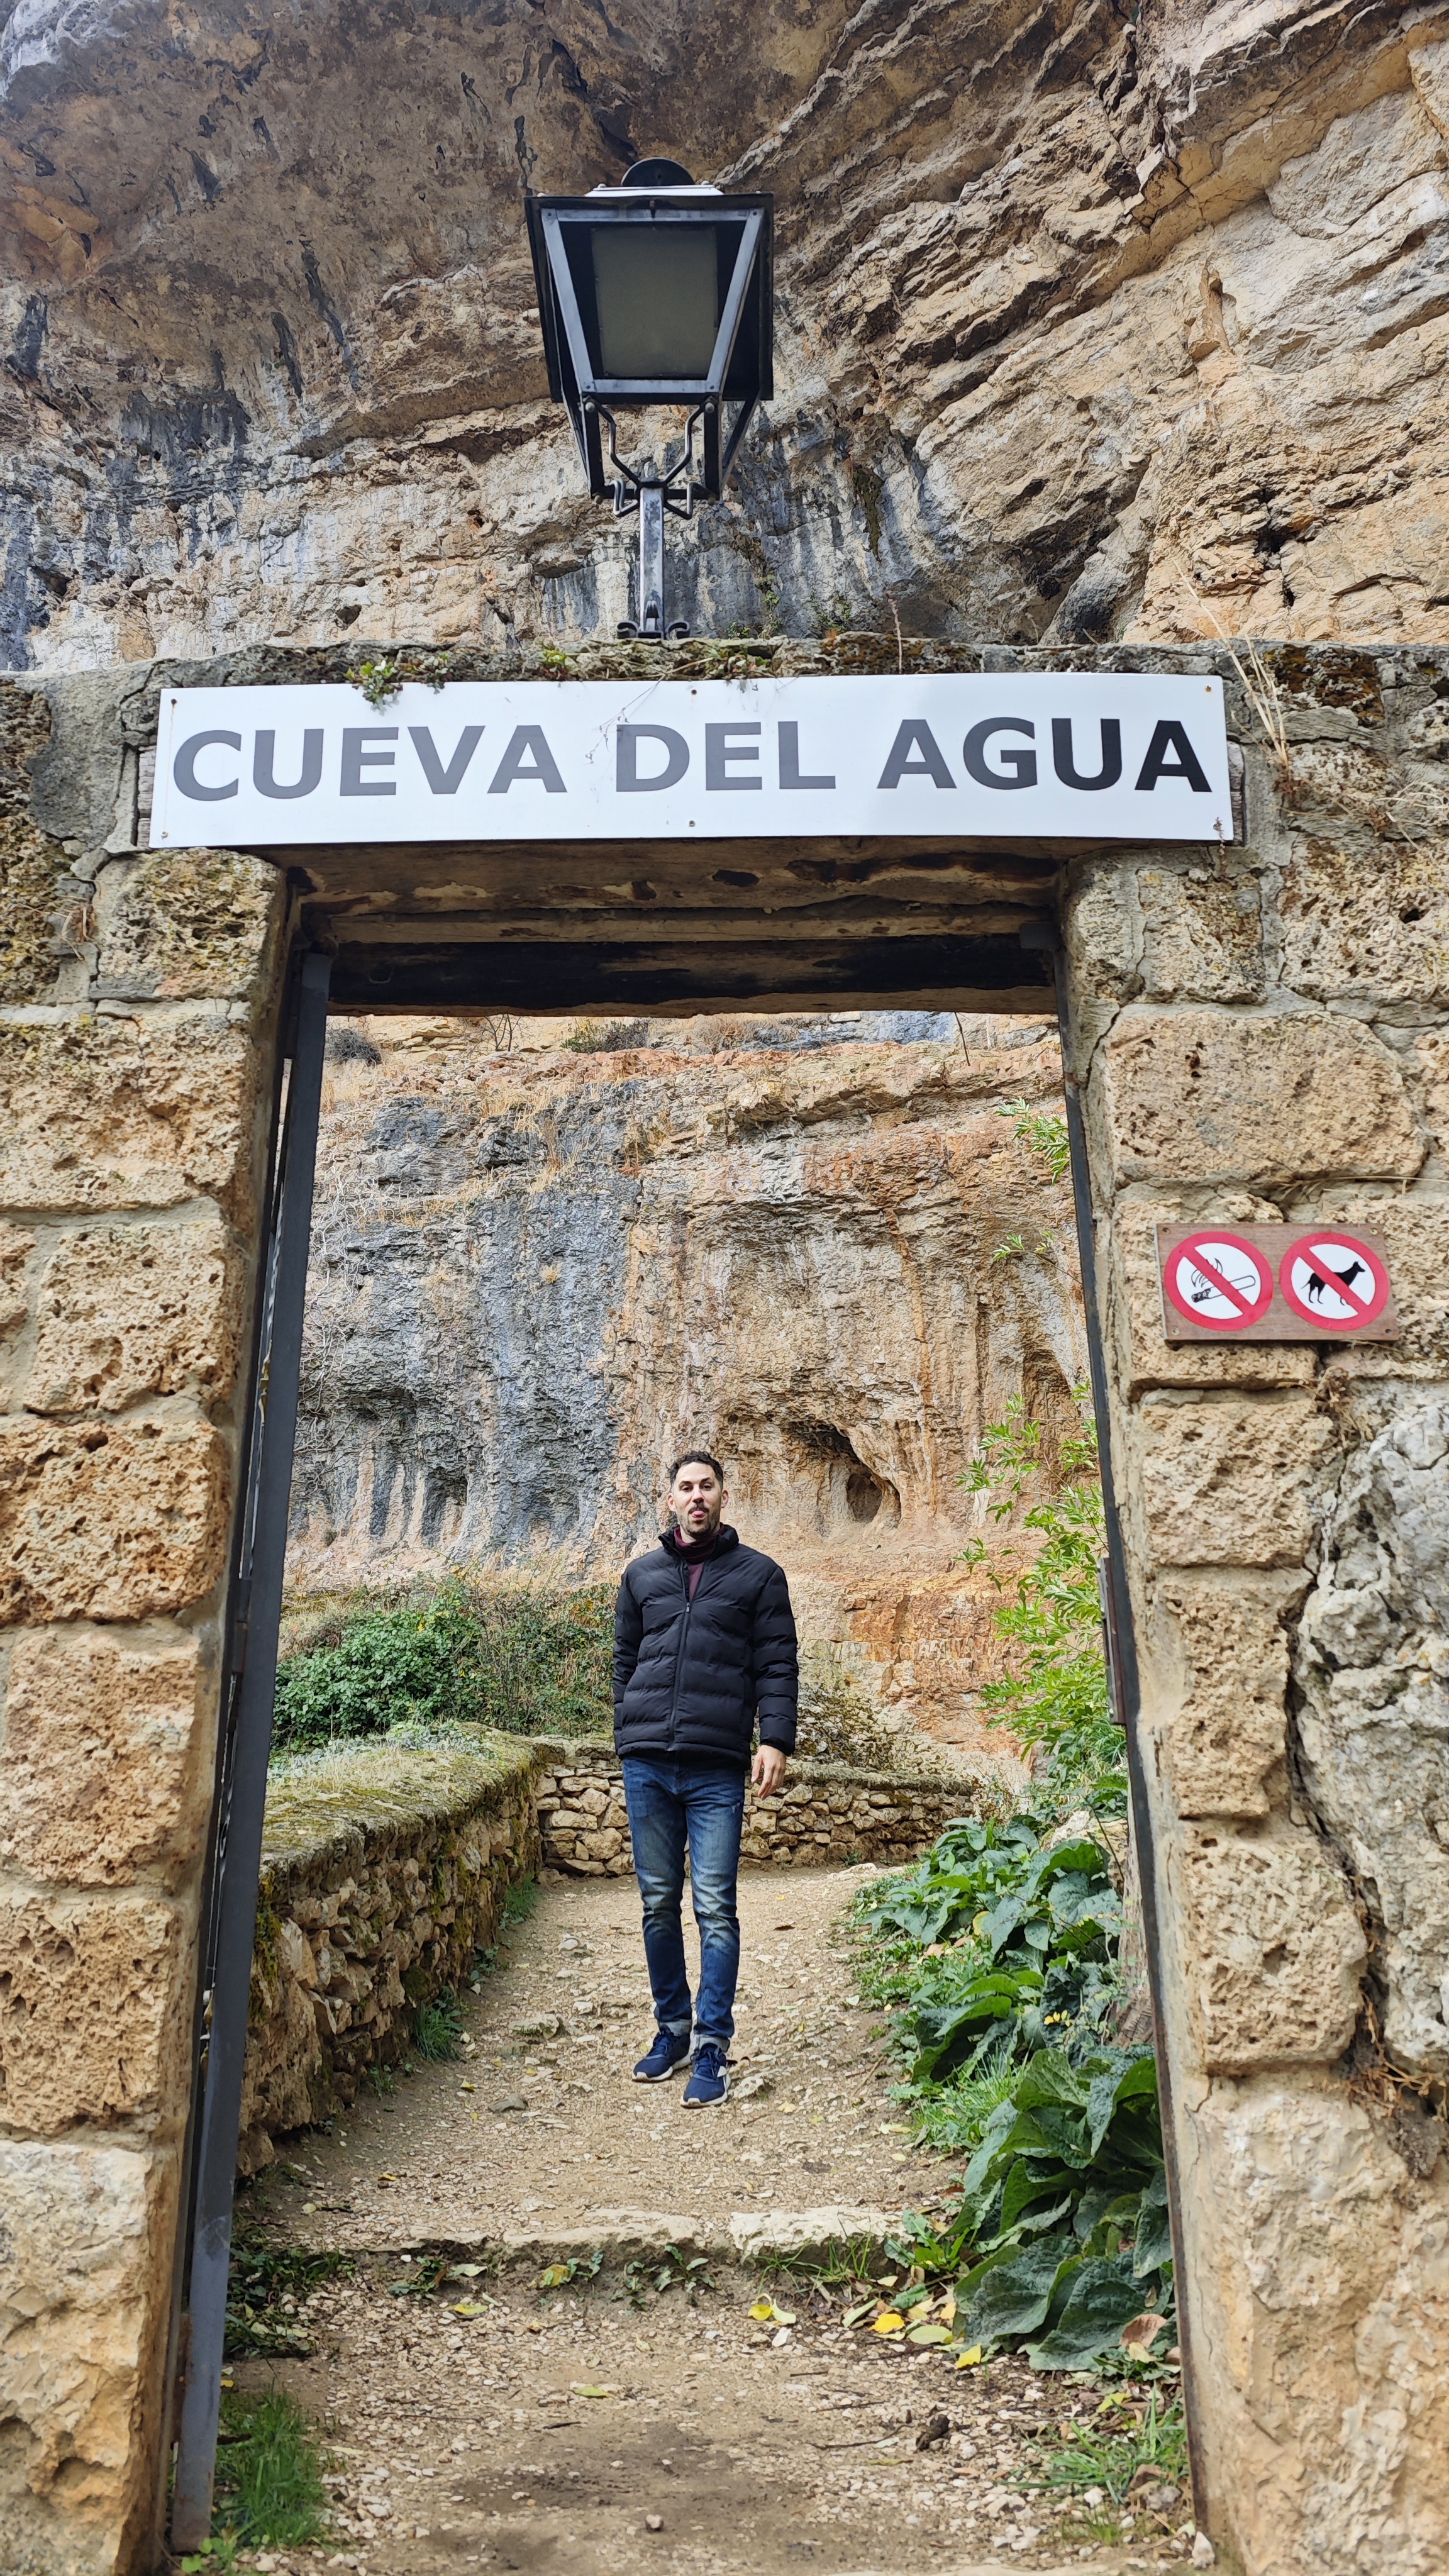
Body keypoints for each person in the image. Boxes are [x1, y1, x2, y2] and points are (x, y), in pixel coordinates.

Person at [613, 1449, 798, 2107]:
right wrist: (625, 1732)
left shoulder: (759, 1576)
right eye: (686, 1487)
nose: (697, 1496)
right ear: (670, 1500)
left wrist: (774, 1737)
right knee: (658, 1903)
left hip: (718, 1764)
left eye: (707, 1486)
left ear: (723, 1496)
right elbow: (625, 1661)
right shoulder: (641, 1577)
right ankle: (673, 2031)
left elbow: (777, 1664)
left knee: (715, 1907)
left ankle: (713, 2047)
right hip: (648, 1762)